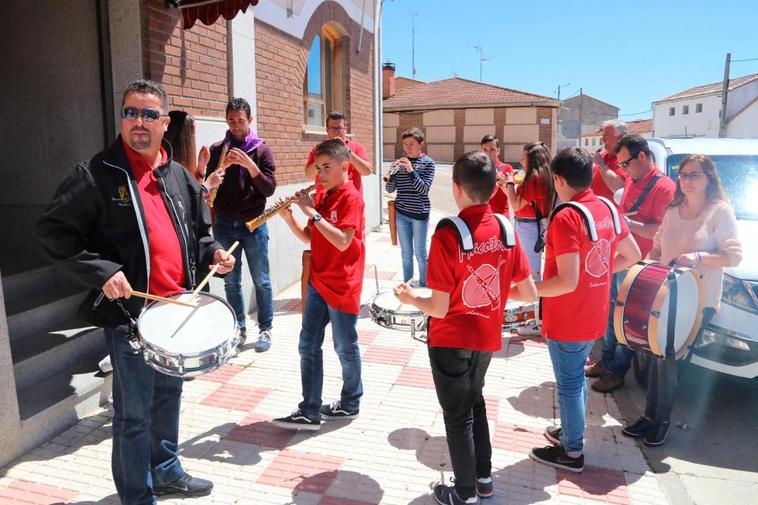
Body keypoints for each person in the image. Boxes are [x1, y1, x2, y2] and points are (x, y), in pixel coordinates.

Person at [36, 79, 235, 503]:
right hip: (132, 317)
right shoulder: (96, 174)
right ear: (121, 118)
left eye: (148, 114)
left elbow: (200, 233)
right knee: (133, 415)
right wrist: (103, 269)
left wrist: (215, 252)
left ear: (165, 123)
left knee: (168, 398)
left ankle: (165, 471)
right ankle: (136, 496)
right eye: (130, 113)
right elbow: (53, 232)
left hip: (177, 309)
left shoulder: (179, 175)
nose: (138, 122)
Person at [395, 151, 538, 504]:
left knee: (457, 417)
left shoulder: (447, 234)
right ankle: (484, 479)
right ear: (494, 190)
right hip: (487, 339)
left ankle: (463, 493)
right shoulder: (506, 227)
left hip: (451, 340)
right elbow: (529, 292)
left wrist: (411, 297)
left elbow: (439, 307)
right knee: (475, 403)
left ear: (456, 188)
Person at [529, 147, 640, 473]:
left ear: (559, 180)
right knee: (574, 379)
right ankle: (570, 430)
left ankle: (572, 451)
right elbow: (631, 253)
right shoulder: (607, 206)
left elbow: (566, 281)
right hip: (593, 310)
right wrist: (601, 275)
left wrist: (529, 290)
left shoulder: (565, 217)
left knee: (569, 382)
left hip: (568, 315)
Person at [621, 154, 742, 446]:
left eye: (694, 175)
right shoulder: (673, 209)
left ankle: (660, 420)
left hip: (700, 301)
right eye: (683, 175)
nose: (687, 181)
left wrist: (698, 257)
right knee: (655, 356)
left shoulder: (720, 211)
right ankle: (649, 417)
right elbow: (659, 245)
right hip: (665, 295)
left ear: (709, 178)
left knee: (671, 362)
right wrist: (645, 270)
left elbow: (734, 256)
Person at [274, 138, 365, 431]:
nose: (321, 174)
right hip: (318, 280)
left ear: (345, 167)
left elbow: (342, 241)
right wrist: (289, 217)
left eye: (327, 167)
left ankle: (350, 402)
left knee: (344, 346)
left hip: (342, 283)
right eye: (318, 168)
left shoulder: (351, 197)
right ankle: (309, 409)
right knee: (308, 345)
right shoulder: (324, 196)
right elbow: (313, 238)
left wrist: (311, 211)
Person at [588, 134, 676, 393]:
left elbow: (661, 231)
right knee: (612, 314)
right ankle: (606, 361)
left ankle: (616, 371)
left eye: (625, 163)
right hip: (622, 258)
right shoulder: (632, 179)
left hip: (639, 265)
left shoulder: (665, 187)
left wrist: (628, 224)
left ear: (642, 156)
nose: (623, 169)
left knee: (625, 320)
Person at [206, 98, 277, 352]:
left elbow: (269, 188)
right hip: (224, 224)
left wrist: (249, 165)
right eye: (231, 120)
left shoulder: (261, 149)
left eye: (241, 120)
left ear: (250, 120)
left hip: (254, 224)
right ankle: (238, 329)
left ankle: (266, 328)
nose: (236, 126)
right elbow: (208, 187)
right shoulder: (218, 149)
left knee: (262, 280)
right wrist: (220, 168)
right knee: (230, 281)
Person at [502, 141, 556, 337]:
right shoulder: (544, 175)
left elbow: (516, 204)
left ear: (531, 159)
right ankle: (538, 318)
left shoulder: (534, 177)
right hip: (533, 225)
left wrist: (509, 183)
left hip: (528, 226)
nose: (520, 161)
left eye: (523, 157)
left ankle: (537, 321)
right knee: (533, 273)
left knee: (532, 275)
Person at [384, 127, 436, 286]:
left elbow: (424, 189)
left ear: (421, 144)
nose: (407, 148)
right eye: (405, 144)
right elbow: (389, 189)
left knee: (421, 254)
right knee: (406, 254)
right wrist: (391, 174)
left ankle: (424, 285)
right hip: (402, 214)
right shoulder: (400, 164)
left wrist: (411, 170)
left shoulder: (429, 164)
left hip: (420, 215)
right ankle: (407, 285)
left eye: (411, 144)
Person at [305, 111, 373, 195]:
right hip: (325, 202)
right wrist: (323, 155)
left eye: (339, 128)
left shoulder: (356, 147)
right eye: (333, 128)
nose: (336, 132)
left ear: (345, 129)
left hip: (350, 201)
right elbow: (309, 175)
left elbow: (367, 171)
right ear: (327, 130)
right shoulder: (317, 149)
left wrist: (347, 151)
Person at [590, 120, 629, 202]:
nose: (603, 139)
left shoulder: (627, 159)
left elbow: (619, 189)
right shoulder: (602, 156)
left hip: (611, 213)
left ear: (621, 138)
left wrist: (601, 165)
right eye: (603, 135)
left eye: (607, 135)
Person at [481, 134, 514, 217]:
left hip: (502, 216)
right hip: (483, 215)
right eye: (485, 150)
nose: (488, 153)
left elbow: (511, 195)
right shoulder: (478, 169)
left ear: (498, 151)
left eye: (492, 149)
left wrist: (504, 184)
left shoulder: (507, 168)